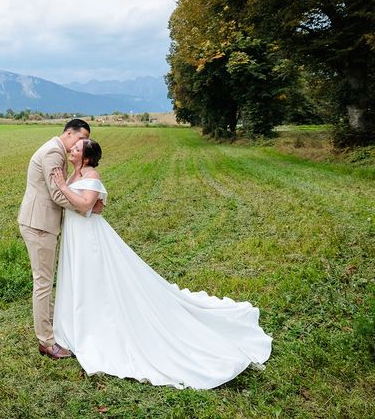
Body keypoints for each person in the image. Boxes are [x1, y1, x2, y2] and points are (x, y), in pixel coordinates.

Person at [50, 139, 272, 389]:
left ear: (87, 158)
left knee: (94, 278)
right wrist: (65, 185)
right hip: (75, 234)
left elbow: (86, 205)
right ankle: (76, 321)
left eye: (77, 149)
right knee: (78, 276)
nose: (72, 150)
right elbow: (88, 205)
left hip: (88, 235)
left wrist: (61, 186)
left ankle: (94, 324)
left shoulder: (92, 174)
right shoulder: (75, 174)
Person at [18, 119, 103, 360]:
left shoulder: (58, 151)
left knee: (45, 279)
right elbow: (57, 194)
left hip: (43, 222)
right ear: (68, 133)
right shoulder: (53, 152)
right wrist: (85, 207)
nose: (82, 144)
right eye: (80, 138)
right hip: (39, 224)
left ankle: (54, 320)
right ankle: (46, 342)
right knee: (43, 282)